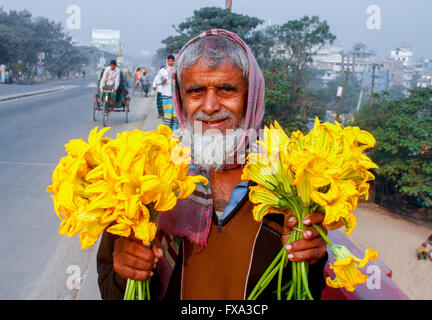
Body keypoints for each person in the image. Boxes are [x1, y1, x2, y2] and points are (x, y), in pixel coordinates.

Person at [97, 29, 328, 300]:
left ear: (250, 96)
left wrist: (310, 261)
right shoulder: (146, 175)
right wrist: (125, 271)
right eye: (195, 91)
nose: (209, 106)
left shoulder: (290, 180)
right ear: (181, 101)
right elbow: (111, 291)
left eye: (226, 90)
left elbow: (303, 291)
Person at [152, 55, 179, 130]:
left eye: (172, 61)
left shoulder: (177, 69)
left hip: (175, 96)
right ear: (167, 61)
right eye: (169, 61)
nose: (171, 62)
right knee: (167, 115)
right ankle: (167, 131)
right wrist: (162, 82)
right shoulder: (162, 71)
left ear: (174, 61)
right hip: (166, 96)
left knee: (175, 116)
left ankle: (174, 132)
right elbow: (157, 80)